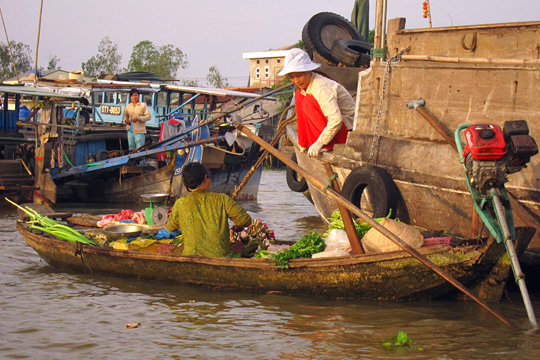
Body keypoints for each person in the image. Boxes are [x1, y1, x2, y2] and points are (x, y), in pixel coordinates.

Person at [277, 48, 355, 157]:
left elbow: (336, 120)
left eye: (299, 75)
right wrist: (303, 143)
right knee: (299, 96)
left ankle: (328, 145)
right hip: (334, 129)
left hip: (347, 132)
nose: (296, 81)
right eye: (292, 77)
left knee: (309, 102)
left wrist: (320, 142)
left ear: (309, 71)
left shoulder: (320, 87)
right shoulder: (305, 88)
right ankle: (305, 142)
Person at [166, 162, 252, 257]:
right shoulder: (222, 199)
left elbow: (170, 227)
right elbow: (245, 220)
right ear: (206, 178)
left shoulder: (180, 204)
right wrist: (240, 226)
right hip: (219, 257)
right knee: (239, 246)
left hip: (191, 256)